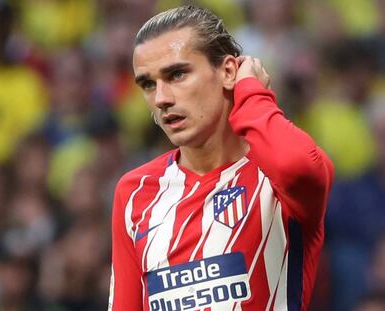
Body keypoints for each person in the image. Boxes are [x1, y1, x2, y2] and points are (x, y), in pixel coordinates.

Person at [109, 5, 334, 311]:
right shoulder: (135, 191)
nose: (161, 98)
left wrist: (251, 94)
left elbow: (297, 165)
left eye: (177, 74)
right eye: (148, 84)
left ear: (228, 72)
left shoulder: (277, 182)